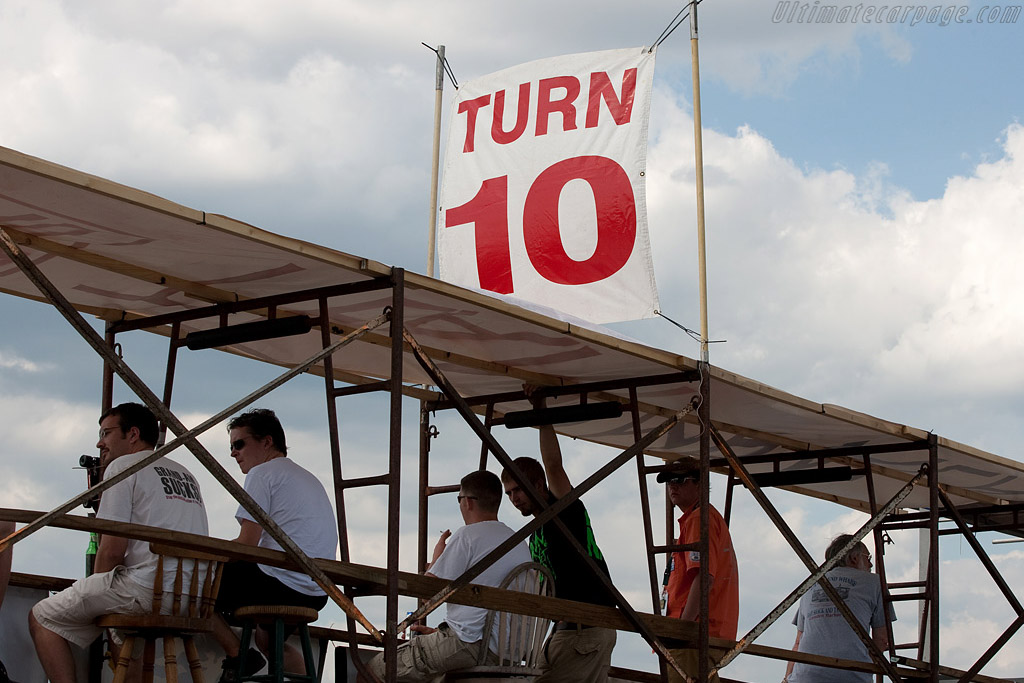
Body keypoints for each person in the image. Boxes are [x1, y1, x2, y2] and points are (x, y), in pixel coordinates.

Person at [28, 402, 209, 683]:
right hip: (194, 598)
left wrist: (93, 589)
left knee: (42, 616)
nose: (100, 443)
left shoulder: (123, 467)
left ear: (133, 434)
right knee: (114, 610)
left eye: (106, 433)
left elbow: (112, 550)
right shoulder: (186, 474)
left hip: (150, 593)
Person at [364, 470, 531, 682]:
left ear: (468, 502)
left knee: (373, 670)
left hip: (470, 646)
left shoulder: (467, 535)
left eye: (459, 499)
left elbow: (428, 597)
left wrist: (436, 559)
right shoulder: (519, 543)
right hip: (508, 653)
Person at [211, 408, 338, 683]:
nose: (234, 452)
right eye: (231, 446)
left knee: (191, 584)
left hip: (280, 585)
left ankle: (237, 655)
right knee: (266, 639)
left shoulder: (262, 474)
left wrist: (210, 556)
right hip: (315, 591)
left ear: (267, 442)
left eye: (239, 444)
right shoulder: (306, 477)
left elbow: (247, 543)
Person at [500, 386, 617, 683]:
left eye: (519, 490)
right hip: (566, 631)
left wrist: (541, 412)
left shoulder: (563, 509)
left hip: (584, 629)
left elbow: (554, 464)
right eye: (509, 493)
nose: (514, 498)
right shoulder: (534, 530)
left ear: (539, 485)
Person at [658, 457, 739, 683]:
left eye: (680, 480)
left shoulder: (698, 519)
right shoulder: (703, 518)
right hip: (703, 635)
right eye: (669, 481)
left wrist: (682, 628)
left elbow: (705, 578)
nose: (673, 485)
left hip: (693, 637)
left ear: (700, 484)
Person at [784, 535, 892, 683]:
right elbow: (882, 640)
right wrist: (860, 666)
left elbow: (798, 642)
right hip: (851, 678)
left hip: (804, 678)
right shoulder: (874, 582)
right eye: (868, 558)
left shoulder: (811, 585)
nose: (871, 564)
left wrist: (786, 679)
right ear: (854, 558)